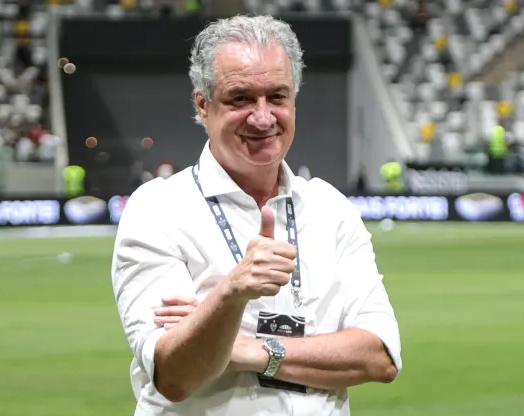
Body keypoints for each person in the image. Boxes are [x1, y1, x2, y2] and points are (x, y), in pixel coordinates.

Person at [111, 15, 402, 416]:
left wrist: (247, 349)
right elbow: (175, 376)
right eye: (241, 98)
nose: (263, 117)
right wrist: (232, 292)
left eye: (277, 96)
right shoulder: (158, 209)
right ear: (203, 105)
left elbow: (379, 357)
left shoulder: (330, 209)